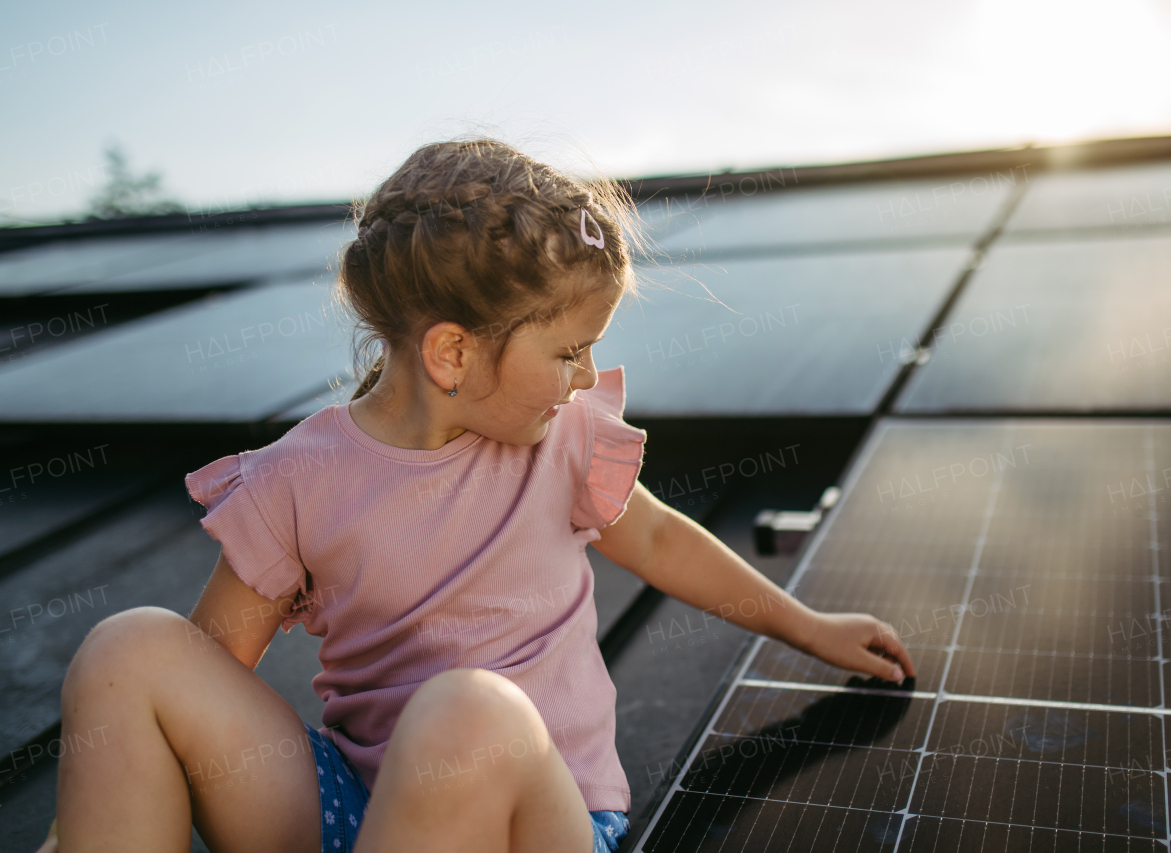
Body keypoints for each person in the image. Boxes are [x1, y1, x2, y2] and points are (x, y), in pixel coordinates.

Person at [44, 138, 915, 853]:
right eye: (568, 350)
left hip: (535, 822)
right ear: (453, 354)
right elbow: (209, 672)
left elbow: (660, 543)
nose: (583, 378)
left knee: (468, 709)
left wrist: (810, 628)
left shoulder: (565, 437)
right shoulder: (295, 479)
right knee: (135, 650)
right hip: (363, 811)